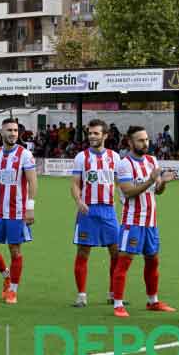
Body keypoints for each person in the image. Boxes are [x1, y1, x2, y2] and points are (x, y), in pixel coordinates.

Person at [110, 125, 176, 317]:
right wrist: (150, 180)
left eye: (146, 139)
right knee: (124, 262)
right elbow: (128, 192)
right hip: (132, 222)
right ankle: (118, 304)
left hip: (151, 222)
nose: (145, 143)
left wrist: (163, 183)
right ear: (130, 142)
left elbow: (157, 191)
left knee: (153, 261)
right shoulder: (124, 164)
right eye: (140, 140)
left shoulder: (151, 160)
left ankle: (153, 301)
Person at [0, 118, 37, 305]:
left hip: (16, 212)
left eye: (15, 130)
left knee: (15, 251)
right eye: (9, 130)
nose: (13, 133)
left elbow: (32, 182)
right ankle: (6, 275)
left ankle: (13, 290)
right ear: (1, 132)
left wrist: (30, 208)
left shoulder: (25, 155)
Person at [70, 119, 121, 308]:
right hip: (88, 210)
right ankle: (81, 295)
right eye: (90, 133)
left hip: (108, 210)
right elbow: (75, 183)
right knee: (83, 252)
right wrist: (78, 200)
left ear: (105, 136)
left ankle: (113, 293)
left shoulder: (115, 157)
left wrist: (124, 200)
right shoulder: (81, 157)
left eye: (96, 133)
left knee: (116, 253)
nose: (92, 136)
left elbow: (120, 182)